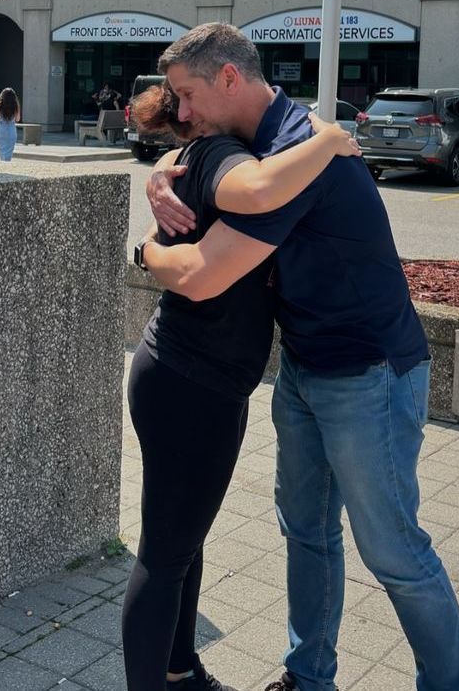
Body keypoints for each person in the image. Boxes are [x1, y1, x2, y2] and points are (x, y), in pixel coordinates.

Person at [139, 23, 459, 691]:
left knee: (393, 552)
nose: (182, 113)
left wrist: (144, 253)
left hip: (370, 375)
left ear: (229, 78)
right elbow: (193, 163)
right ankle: (309, 677)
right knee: (306, 531)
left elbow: (207, 274)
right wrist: (159, 177)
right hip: (305, 366)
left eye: (187, 95)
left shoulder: (294, 156)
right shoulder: (263, 141)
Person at [122, 83, 361, 691]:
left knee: (178, 541)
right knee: (165, 556)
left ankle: (179, 672)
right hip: (193, 386)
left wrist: (156, 187)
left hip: (177, 375)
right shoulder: (225, 153)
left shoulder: (188, 157)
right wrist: (330, 138)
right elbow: (256, 189)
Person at [0, 87, 19, 162]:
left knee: (2, 149)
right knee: (9, 150)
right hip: (11, 129)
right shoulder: (15, 106)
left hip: (1, 129)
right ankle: (7, 163)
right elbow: (18, 119)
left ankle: (3, 163)